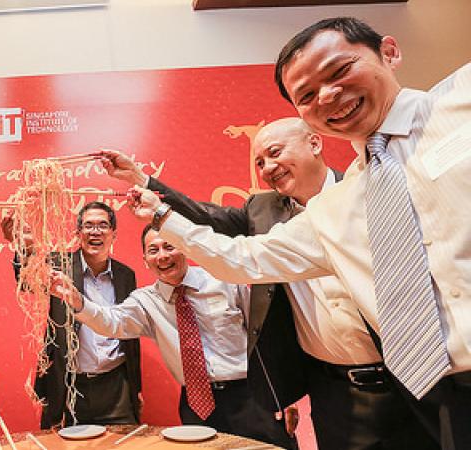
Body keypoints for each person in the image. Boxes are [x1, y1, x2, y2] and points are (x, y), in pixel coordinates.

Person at [127, 17, 471, 450]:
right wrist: (161, 215)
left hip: (402, 384)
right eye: (306, 95)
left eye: (339, 70)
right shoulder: (337, 207)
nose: (327, 96)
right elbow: (243, 258)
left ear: (389, 52)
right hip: (430, 396)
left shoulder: (460, 104)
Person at [99, 118, 436, 450]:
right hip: (331, 388)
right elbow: (206, 218)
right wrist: (142, 181)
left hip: (409, 374)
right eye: (259, 162)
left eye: (275, 153)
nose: (268, 168)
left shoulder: (361, 190)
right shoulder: (262, 211)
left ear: (315, 142)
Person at [48, 226, 295, 449]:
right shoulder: (145, 301)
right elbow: (111, 322)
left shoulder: (224, 281)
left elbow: (264, 333)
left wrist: (285, 393)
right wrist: (77, 301)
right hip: (196, 406)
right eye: (153, 250)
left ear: (185, 248)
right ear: (145, 260)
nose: (162, 256)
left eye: (169, 246)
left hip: (252, 396)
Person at [1, 201, 141, 429]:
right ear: (78, 233)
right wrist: (23, 247)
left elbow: (130, 333)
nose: (95, 231)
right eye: (88, 225)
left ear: (113, 234)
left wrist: (137, 388)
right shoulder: (59, 265)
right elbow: (27, 282)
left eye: (102, 225)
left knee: (124, 441)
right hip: (71, 386)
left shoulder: (126, 275)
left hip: (117, 387)